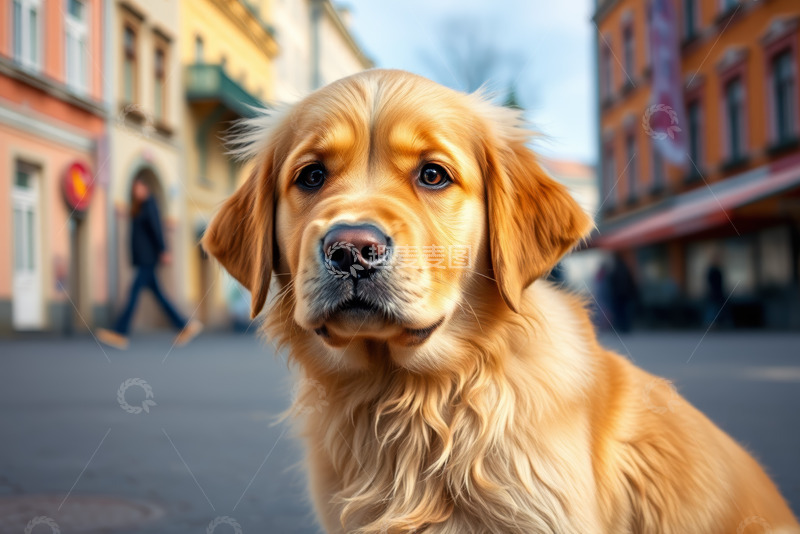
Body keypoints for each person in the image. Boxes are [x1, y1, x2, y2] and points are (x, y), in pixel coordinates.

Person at [97, 178, 202, 349]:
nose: (135, 192)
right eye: (134, 190)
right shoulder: (141, 207)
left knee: (133, 293)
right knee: (159, 296)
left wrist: (164, 250)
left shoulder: (150, 205)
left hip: (148, 259)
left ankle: (119, 332)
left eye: (138, 188)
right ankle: (185, 325)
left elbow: (156, 228)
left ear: (145, 189)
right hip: (144, 259)